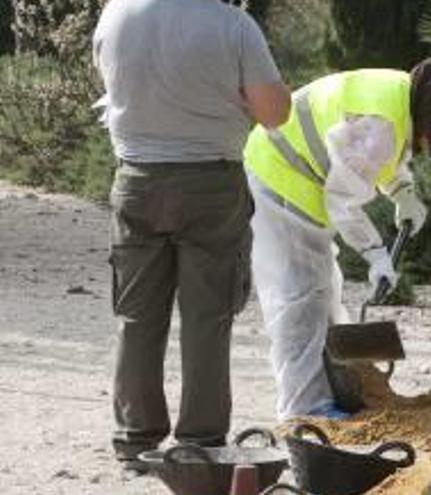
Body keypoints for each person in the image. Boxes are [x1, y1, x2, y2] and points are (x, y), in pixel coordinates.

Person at [91, 0, 290, 475]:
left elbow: (115, 82)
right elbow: (274, 112)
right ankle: (200, 439)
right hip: (210, 181)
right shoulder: (233, 25)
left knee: (136, 314)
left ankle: (135, 438)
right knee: (207, 317)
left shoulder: (115, 14)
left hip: (136, 178)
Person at [243, 57, 431, 420]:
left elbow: (376, 157)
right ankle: (304, 411)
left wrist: (402, 193)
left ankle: (328, 391)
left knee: (323, 293)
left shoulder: (400, 95)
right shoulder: (382, 123)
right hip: (280, 179)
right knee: (300, 301)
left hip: (294, 178)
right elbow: (343, 203)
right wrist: (376, 256)